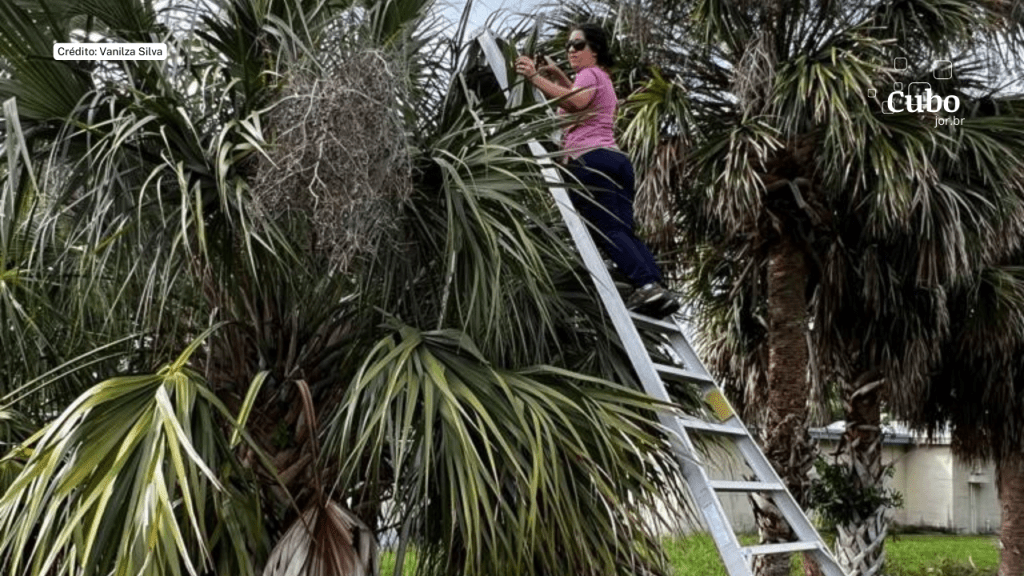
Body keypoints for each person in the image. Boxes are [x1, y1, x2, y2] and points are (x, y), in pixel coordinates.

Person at [514, 23, 679, 317]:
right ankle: (654, 284)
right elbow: (579, 101)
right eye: (568, 46)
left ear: (595, 50)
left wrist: (535, 77)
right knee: (622, 230)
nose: (571, 51)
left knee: (606, 229)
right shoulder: (600, 79)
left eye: (578, 45)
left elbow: (576, 101)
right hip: (614, 161)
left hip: (591, 161)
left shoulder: (588, 74)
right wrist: (558, 76)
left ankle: (646, 285)